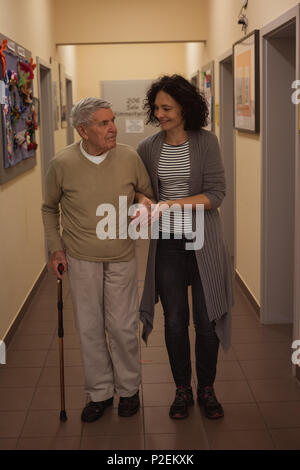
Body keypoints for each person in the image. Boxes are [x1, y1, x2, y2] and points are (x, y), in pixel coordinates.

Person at [41, 97, 153, 422]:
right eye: (103, 123)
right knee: (89, 328)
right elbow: (49, 207)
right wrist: (55, 249)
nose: (113, 128)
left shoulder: (129, 157)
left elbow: (144, 193)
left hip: (121, 255)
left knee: (121, 325)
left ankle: (129, 390)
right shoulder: (62, 163)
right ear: (82, 130)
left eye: (112, 120)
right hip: (80, 257)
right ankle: (100, 392)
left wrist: (144, 203)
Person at [137, 75, 233, 420]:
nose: (160, 114)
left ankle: (206, 388)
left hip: (204, 241)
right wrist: (144, 200)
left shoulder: (206, 142)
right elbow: (141, 188)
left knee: (207, 322)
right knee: (175, 321)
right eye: (157, 107)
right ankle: (182, 390)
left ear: (185, 108)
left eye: (167, 108)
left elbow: (215, 195)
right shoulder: (148, 147)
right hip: (168, 245)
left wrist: (171, 204)